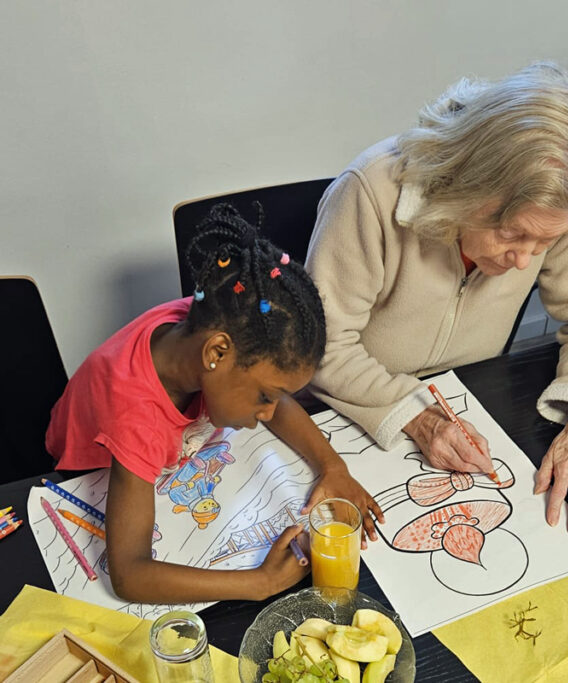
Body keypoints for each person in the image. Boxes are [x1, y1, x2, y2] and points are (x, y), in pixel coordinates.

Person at [306, 63, 568, 537]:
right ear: (468, 188)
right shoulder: (371, 193)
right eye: (513, 235)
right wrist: (416, 417)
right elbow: (320, 344)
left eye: (543, 243)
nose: (526, 261)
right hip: (348, 413)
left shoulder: (561, 202)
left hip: (476, 397)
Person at [46, 204, 382, 604]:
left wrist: (333, 466)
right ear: (216, 354)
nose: (269, 414)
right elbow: (130, 574)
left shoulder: (211, 329)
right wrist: (259, 583)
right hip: (90, 475)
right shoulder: (137, 420)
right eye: (264, 398)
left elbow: (276, 399)